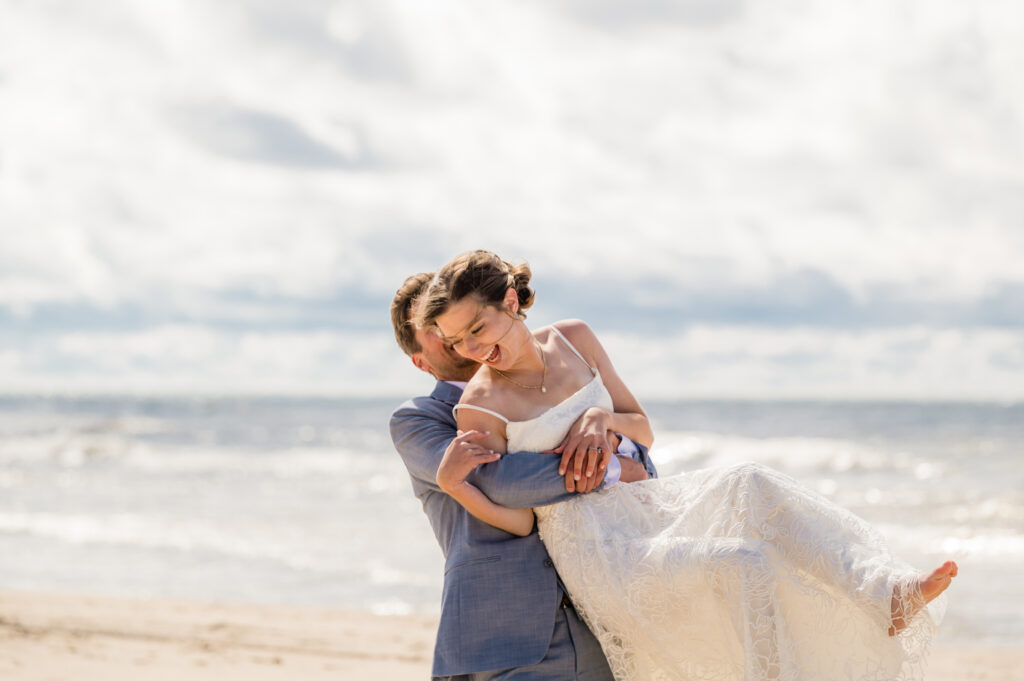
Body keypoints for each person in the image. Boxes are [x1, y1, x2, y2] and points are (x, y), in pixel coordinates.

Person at [416, 250, 958, 681]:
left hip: (648, 507)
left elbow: (643, 428)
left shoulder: (574, 338)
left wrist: (601, 419)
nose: (471, 348)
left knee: (751, 479)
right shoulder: (478, 407)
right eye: (457, 339)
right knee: (745, 562)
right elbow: (520, 520)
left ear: (510, 302)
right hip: (596, 549)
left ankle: (885, 590)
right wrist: (453, 485)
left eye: (477, 328)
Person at [388, 271, 658, 681]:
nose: (457, 338)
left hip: (601, 610)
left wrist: (605, 428)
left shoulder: (556, 369)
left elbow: (640, 445)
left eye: (466, 325)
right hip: (507, 632)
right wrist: (613, 467)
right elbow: (502, 481)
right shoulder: (419, 420)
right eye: (439, 331)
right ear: (420, 361)